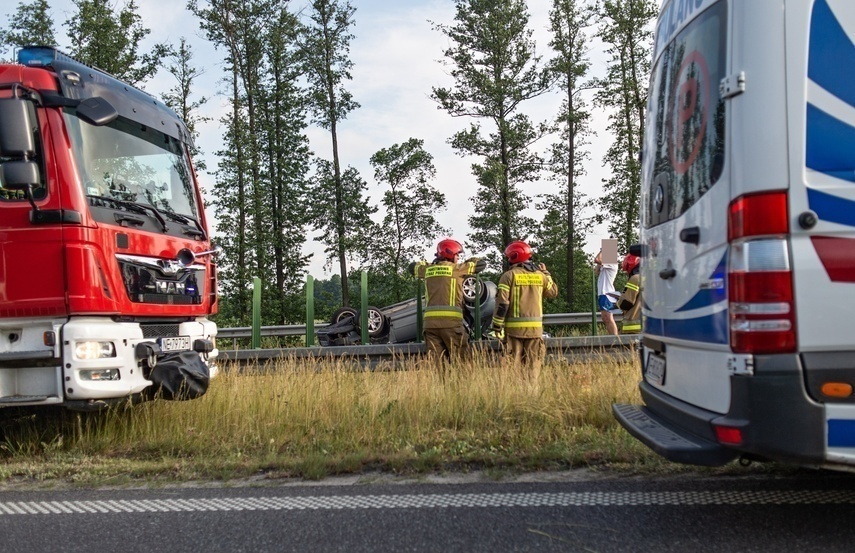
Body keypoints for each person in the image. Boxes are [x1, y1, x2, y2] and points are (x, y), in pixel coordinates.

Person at [491, 240, 558, 385]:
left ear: (513, 257)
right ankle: (531, 397)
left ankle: (516, 398)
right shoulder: (541, 276)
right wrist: (546, 273)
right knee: (533, 370)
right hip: (535, 332)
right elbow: (553, 292)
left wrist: (497, 326)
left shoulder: (508, 276)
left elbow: (502, 303)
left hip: (514, 332)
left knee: (513, 370)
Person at [409, 238, 486, 364]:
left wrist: (428, 263)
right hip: (452, 324)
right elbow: (481, 264)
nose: (458, 258)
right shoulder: (458, 269)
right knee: (462, 365)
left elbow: (412, 267)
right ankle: (461, 384)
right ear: (451, 255)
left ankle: (440, 384)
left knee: (438, 366)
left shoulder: (428, 270)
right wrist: (469, 261)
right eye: (457, 255)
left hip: (430, 326)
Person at [594, 249, 619, 336]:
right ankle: (613, 337)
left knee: (608, 318)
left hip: (607, 294)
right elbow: (596, 271)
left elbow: (597, 259)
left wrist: (602, 250)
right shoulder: (605, 265)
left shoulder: (612, 263)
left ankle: (615, 338)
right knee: (605, 318)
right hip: (602, 294)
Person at [617, 254, 642, 334]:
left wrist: (618, 302)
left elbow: (626, 303)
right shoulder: (655, 277)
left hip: (633, 327)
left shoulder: (636, 278)